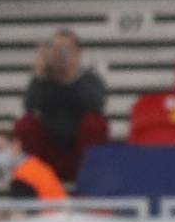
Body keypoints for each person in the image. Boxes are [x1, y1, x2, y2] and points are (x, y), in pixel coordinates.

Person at [13, 29, 106, 183]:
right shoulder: (43, 81)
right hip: (50, 148)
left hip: (79, 151)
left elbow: (95, 105)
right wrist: (40, 76)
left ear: (77, 52)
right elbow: (30, 106)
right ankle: (33, 179)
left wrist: (72, 75)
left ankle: (92, 180)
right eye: (55, 49)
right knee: (25, 124)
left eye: (65, 49)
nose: (60, 55)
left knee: (95, 123)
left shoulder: (89, 79)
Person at [0, 128, 65, 201]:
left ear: (16, 144)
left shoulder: (23, 177)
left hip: (50, 217)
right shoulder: (34, 165)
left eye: (0, 149)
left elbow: (22, 213)